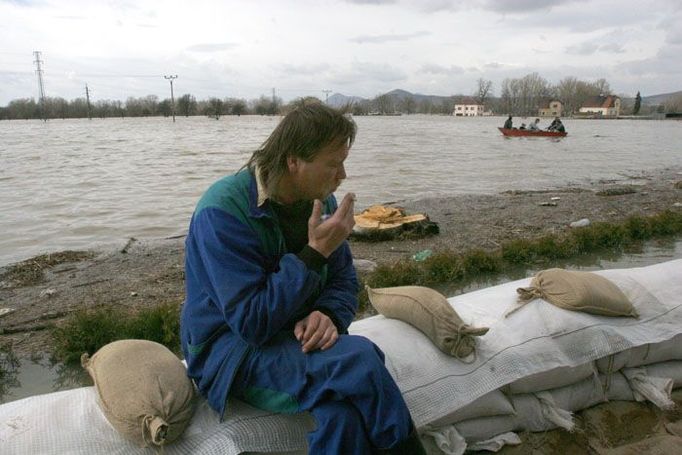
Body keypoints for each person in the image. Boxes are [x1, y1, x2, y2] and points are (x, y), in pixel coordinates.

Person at [180, 102, 426, 454]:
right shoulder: (223, 213)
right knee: (359, 359)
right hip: (230, 351)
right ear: (294, 161)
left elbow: (343, 281)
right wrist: (313, 255)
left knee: (343, 415)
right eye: (333, 164)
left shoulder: (321, 201)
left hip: (291, 338)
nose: (342, 175)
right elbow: (249, 322)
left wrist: (328, 314)